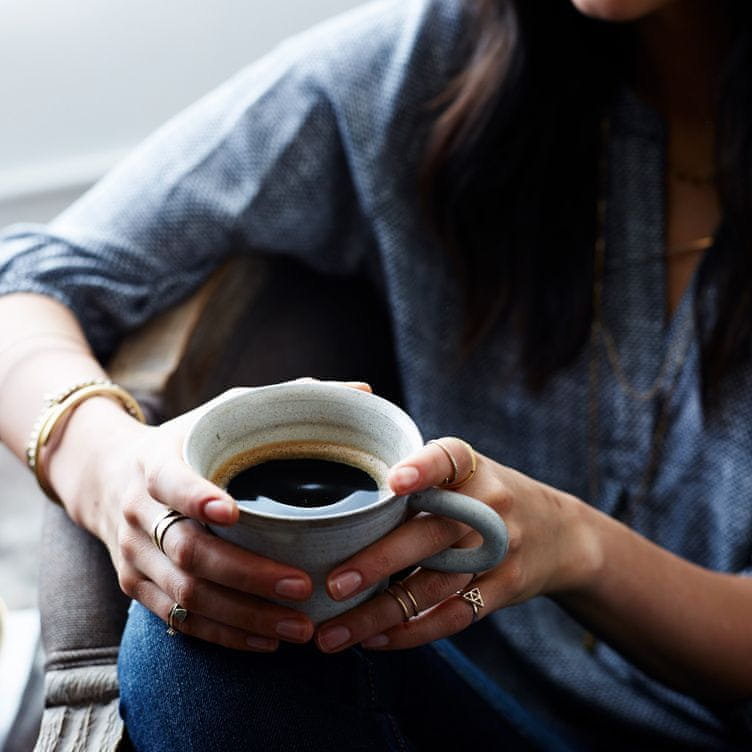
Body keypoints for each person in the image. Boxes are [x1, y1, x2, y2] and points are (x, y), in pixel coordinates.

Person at [0, 0, 750, 748]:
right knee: (209, 636)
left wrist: (576, 547)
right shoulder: (428, 66)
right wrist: (109, 469)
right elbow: (27, 280)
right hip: (453, 694)